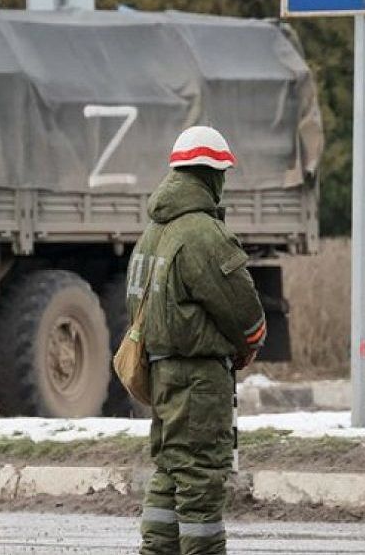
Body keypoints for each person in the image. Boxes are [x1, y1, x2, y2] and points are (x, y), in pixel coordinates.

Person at [128, 126, 267, 555]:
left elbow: (135, 305)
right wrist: (247, 345)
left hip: (163, 373)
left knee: (170, 470)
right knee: (201, 478)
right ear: (210, 176)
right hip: (198, 379)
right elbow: (246, 314)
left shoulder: (152, 232)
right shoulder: (202, 233)